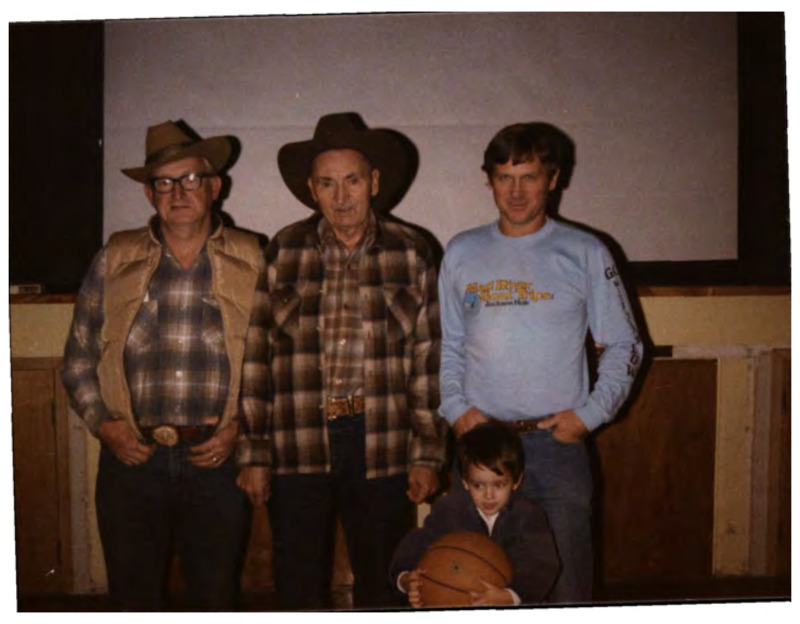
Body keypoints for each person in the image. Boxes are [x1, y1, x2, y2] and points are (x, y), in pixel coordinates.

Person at [236, 112, 448, 610]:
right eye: (327, 183)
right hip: (297, 440)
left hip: (382, 443)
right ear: (312, 189)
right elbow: (255, 358)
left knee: (383, 578)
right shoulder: (283, 251)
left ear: (374, 182)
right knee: (298, 579)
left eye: (352, 180)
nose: (342, 196)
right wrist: (254, 452)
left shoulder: (412, 252)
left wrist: (427, 453)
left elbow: (429, 359)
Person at [61, 120, 266, 611]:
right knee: (135, 602)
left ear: (215, 187)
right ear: (150, 194)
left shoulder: (254, 255)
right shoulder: (115, 256)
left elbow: (274, 361)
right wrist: (103, 425)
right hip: (132, 461)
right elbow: (77, 356)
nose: (178, 192)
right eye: (164, 183)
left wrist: (240, 429)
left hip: (217, 462)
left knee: (214, 599)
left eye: (191, 179)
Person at [438, 122, 644, 603]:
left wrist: (590, 416)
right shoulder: (463, 251)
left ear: (553, 179)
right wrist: (456, 410)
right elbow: (450, 344)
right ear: (488, 179)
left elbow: (625, 344)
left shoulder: (585, 251)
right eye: (504, 177)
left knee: (566, 592)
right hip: (481, 448)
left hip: (556, 449)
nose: (515, 191)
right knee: (472, 589)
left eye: (529, 176)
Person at [390, 420, 560, 607]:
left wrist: (511, 596)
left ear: (516, 481)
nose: (489, 495)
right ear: (464, 482)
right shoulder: (449, 509)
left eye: (499, 485)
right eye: (478, 485)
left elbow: (542, 566)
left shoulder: (528, 516)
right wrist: (406, 580)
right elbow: (417, 543)